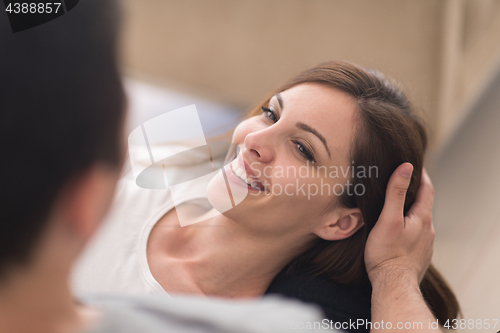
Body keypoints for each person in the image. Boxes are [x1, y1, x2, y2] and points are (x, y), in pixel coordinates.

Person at [0, 0, 445, 332]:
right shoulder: (142, 166)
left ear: (340, 221)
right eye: (270, 114)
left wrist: (394, 276)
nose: (255, 140)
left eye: (304, 150)